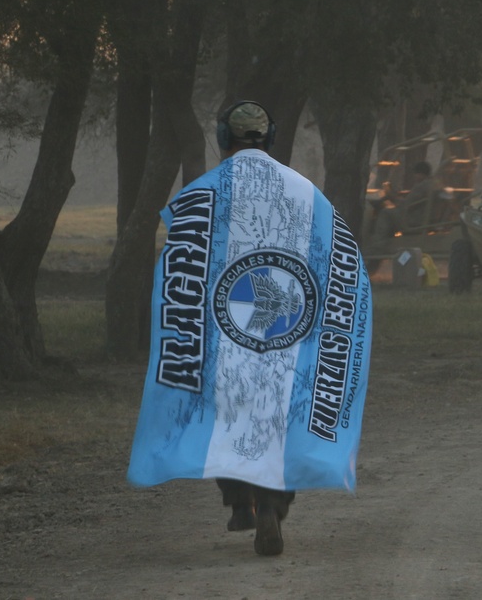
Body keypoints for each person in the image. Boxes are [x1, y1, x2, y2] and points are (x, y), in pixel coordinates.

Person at [127, 101, 372, 558]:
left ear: (223, 138)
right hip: (288, 331)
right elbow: (338, 262)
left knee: (229, 411)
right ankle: (273, 509)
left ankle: (240, 502)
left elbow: (182, 269)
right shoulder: (306, 193)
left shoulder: (201, 194)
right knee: (278, 414)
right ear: (271, 138)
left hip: (227, 332)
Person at [371, 161, 441, 249]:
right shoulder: (436, 183)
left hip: (415, 222)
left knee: (386, 213)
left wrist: (391, 196)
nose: (414, 177)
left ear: (420, 174)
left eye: (415, 174)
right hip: (430, 220)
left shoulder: (421, 186)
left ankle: (379, 244)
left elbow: (406, 204)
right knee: (393, 212)